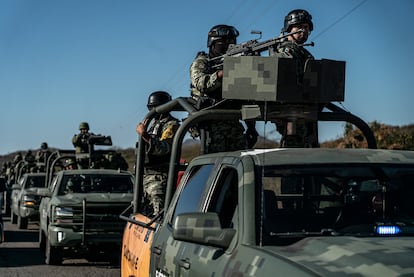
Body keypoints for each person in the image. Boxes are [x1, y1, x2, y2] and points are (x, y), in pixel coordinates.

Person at [190, 24, 258, 153]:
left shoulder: (234, 64)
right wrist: (224, 72)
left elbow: (246, 95)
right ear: (212, 43)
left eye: (231, 42)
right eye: (223, 42)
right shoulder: (202, 62)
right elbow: (201, 84)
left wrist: (251, 126)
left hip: (232, 120)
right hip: (210, 121)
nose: (227, 45)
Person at [273, 9, 319, 148]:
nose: (303, 31)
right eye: (299, 27)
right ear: (289, 28)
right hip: (291, 114)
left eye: (306, 28)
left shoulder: (303, 53)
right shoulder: (286, 51)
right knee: (293, 148)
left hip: (305, 110)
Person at [136, 91, 180, 216]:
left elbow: (164, 148)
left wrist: (144, 135)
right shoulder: (154, 124)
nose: (153, 110)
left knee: (158, 215)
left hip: (159, 178)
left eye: (155, 107)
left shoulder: (171, 125)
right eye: (150, 108)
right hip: (146, 176)